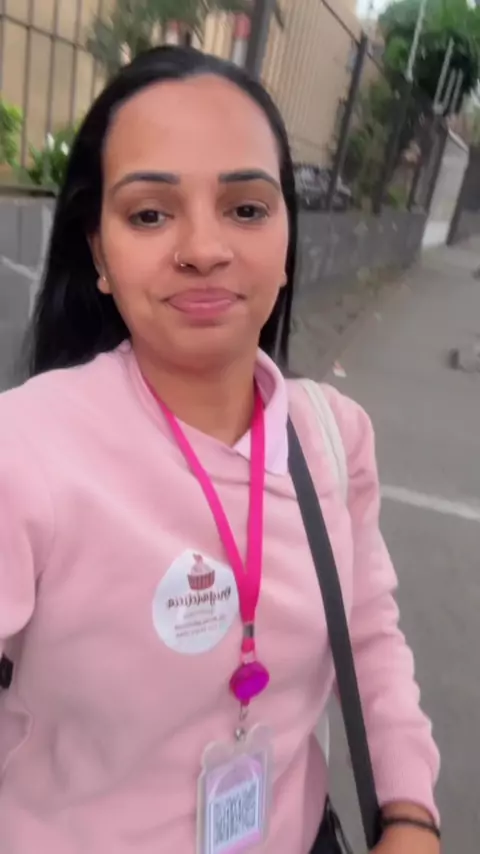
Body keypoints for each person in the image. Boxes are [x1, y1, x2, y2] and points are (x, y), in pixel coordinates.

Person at [0, 46, 440, 854]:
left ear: (286, 237)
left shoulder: (333, 437)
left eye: (245, 208)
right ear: (98, 253)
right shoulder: (25, 451)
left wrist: (410, 814)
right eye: (149, 214)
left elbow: (370, 635)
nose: (204, 248)